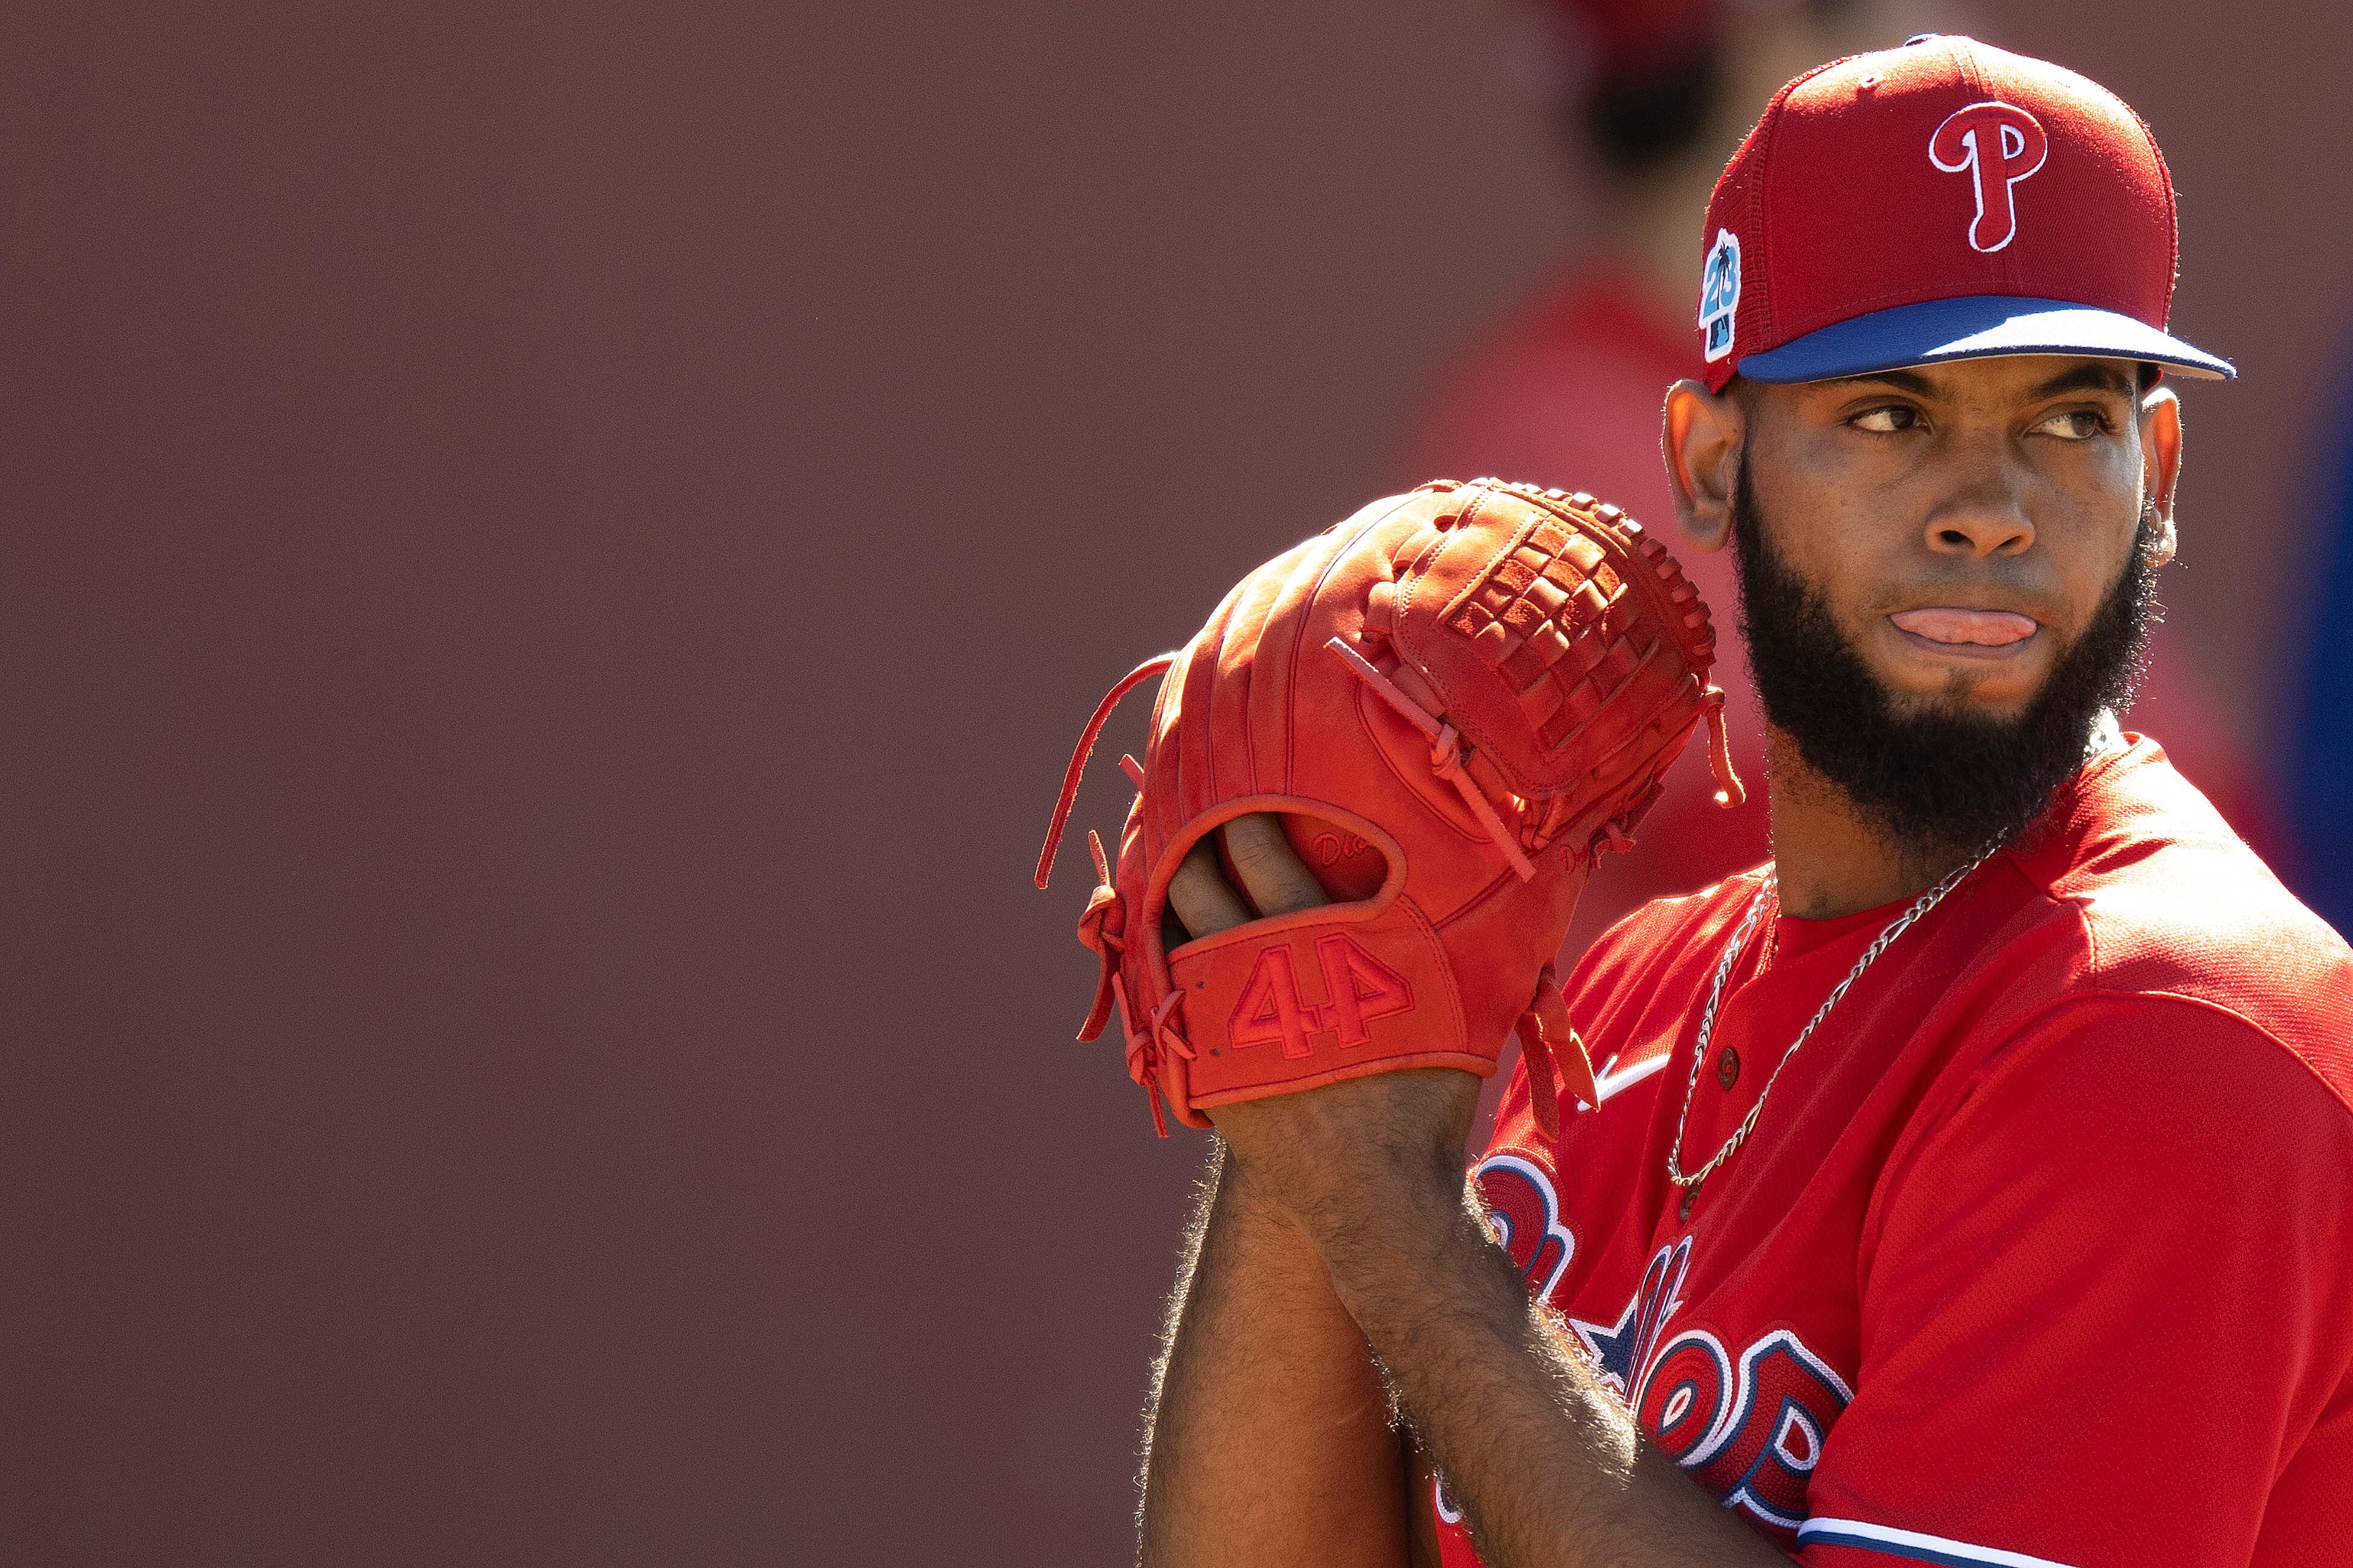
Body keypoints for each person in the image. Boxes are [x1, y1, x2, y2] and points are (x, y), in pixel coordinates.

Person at [1136, 36, 2352, 1568]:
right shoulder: (1633, 998)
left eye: (2067, 416)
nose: (1990, 506)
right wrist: (1299, 1111)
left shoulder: (2185, 1028)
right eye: (1891, 416)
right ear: (1707, 465)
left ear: (2157, 473)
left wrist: (1386, 1208)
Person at [1403, 2, 2289, 954]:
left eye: (2072, 422)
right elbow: (1881, 848)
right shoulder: (1563, 439)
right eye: (1885, 418)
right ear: (1780, 44)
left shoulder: (1993, 403)